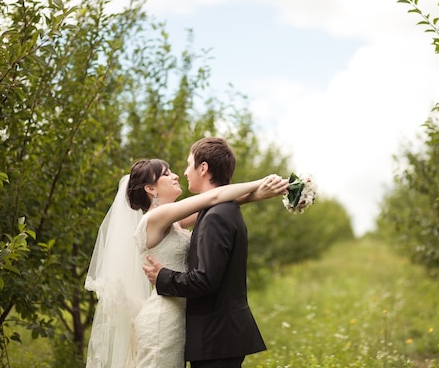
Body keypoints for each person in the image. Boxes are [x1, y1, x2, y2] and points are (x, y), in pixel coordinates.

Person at [85, 156, 288, 368]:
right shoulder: (155, 218)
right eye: (165, 173)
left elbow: (221, 201)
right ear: (151, 189)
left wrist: (260, 194)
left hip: (179, 319)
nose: (175, 175)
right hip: (163, 321)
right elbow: (214, 196)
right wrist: (262, 181)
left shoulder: (173, 221)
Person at [143, 137, 271, 368]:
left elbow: (204, 279)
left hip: (215, 336)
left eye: (187, 164)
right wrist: (257, 192)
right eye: (167, 173)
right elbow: (214, 198)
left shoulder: (215, 216)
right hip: (203, 331)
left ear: (203, 168)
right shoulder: (216, 211)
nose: (182, 173)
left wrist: (163, 276)